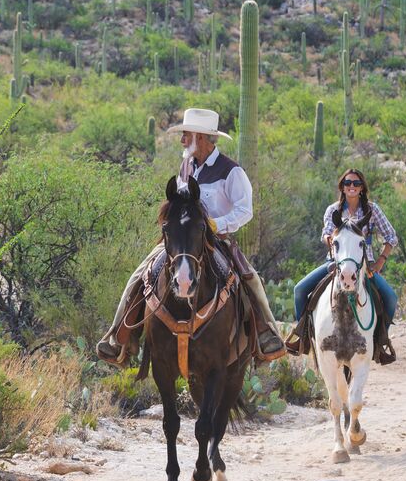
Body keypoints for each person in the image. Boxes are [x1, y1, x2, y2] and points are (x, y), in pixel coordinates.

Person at [96, 108, 287, 366]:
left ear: (201, 137)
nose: (183, 140)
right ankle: (118, 336)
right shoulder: (186, 167)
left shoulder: (231, 171)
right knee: (141, 274)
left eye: (186, 134)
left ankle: (266, 334)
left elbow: (245, 210)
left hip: (217, 240)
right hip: (182, 240)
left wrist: (215, 224)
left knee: (249, 278)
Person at [291, 168, 399, 364]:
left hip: (363, 268)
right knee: (299, 290)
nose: (352, 186)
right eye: (348, 183)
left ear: (362, 188)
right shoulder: (333, 210)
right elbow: (326, 232)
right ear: (342, 187)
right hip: (334, 263)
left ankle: (380, 342)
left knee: (390, 298)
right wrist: (328, 239)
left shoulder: (373, 210)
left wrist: (381, 260)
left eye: (356, 183)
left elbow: (391, 236)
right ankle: (303, 337)